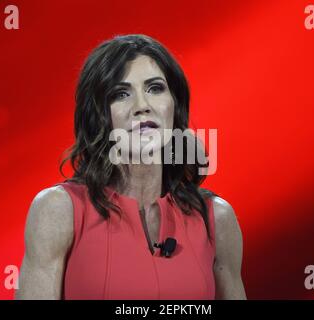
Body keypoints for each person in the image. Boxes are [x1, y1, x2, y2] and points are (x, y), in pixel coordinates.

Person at [15, 34, 246, 300]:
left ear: (175, 104)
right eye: (121, 94)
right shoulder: (57, 210)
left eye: (155, 88)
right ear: (99, 115)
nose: (141, 106)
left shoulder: (216, 218)